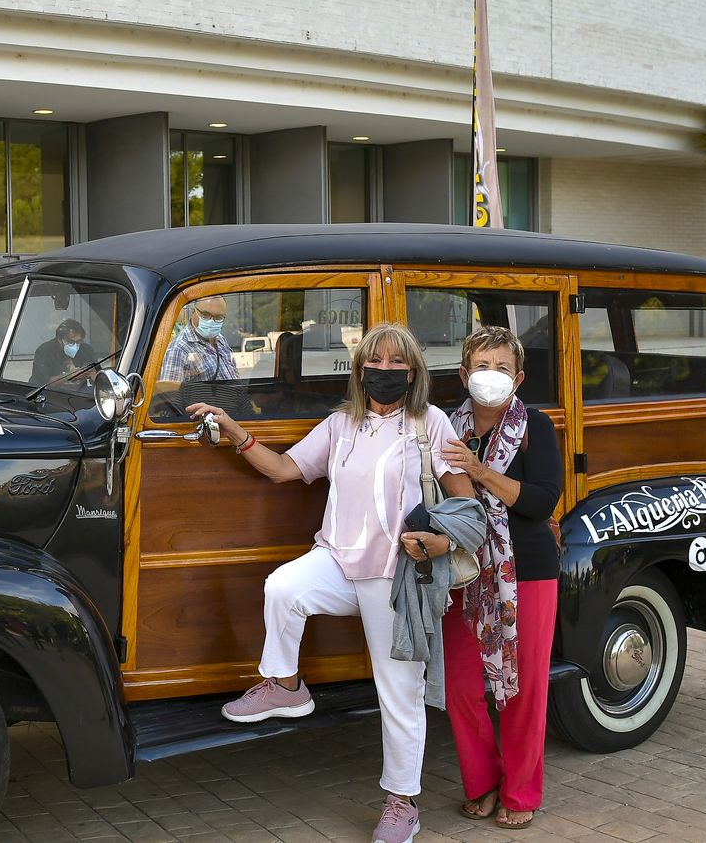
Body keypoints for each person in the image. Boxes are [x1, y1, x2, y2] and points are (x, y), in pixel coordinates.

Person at [186, 323, 476, 843]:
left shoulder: (431, 423)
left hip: (396, 575)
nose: (385, 370)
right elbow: (283, 469)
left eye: (397, 363)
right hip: (338, 561)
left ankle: (402, 804)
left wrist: (441, 541)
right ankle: (287, 687)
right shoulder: (342, 424)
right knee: (283, 587)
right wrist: (233, 430)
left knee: (399, 693)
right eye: (375, 361)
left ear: (414, 372)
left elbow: (465, 503)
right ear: (359, 369)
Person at [436, 326, 563, 832]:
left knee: (524, 689)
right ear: (464, 373)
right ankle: (483, 782)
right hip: (463, 571)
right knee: (461, 688)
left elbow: (542, 501)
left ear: (519, 377)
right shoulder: (445, 428)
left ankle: (520, 792)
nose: (491, 375)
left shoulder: (535, 426)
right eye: (482, 366)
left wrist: (479, 470)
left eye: (502, 368)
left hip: (526, 572)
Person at [30, 318, 92, 384]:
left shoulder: (86, 349)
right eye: (71, 342)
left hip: (79, 389)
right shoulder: (44, 351)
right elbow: (45, 383)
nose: (75, 345)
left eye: (78, 341)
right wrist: (69, 376)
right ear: (60, 339)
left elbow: (95, 372)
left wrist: (89, 372)